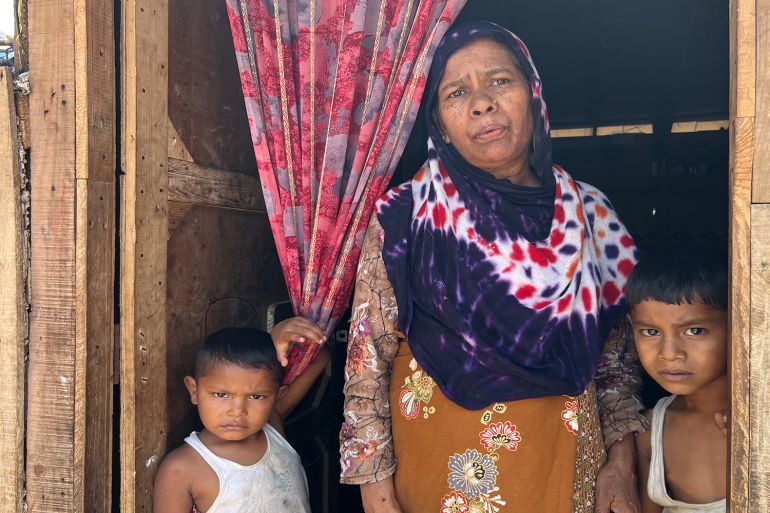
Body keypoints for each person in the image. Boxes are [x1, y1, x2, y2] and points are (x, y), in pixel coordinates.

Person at [339, 21, 649, 513]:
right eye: (457, 92)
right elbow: (366, 361)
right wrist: (376, 496)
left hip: (566, 463)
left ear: (533, 94)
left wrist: (622, 463)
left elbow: (616, 359)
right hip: (441, 473)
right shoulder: (406, 216)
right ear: (440, 123)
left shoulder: (590, 214)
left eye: (500, 81)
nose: (482, 103)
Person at [152, 321, 328, 513]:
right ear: (194, 391)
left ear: (277, 396)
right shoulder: (181, 469)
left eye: (256, 397)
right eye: (221, 394)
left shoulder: (273, 425)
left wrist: (277, 337)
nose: (237, 411)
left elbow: (321, 356)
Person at [628, 249, 727, 513]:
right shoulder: (651, 429)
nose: (670, 353)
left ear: (739, 325)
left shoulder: (759, 424)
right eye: (651, 331)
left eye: (694, 331)